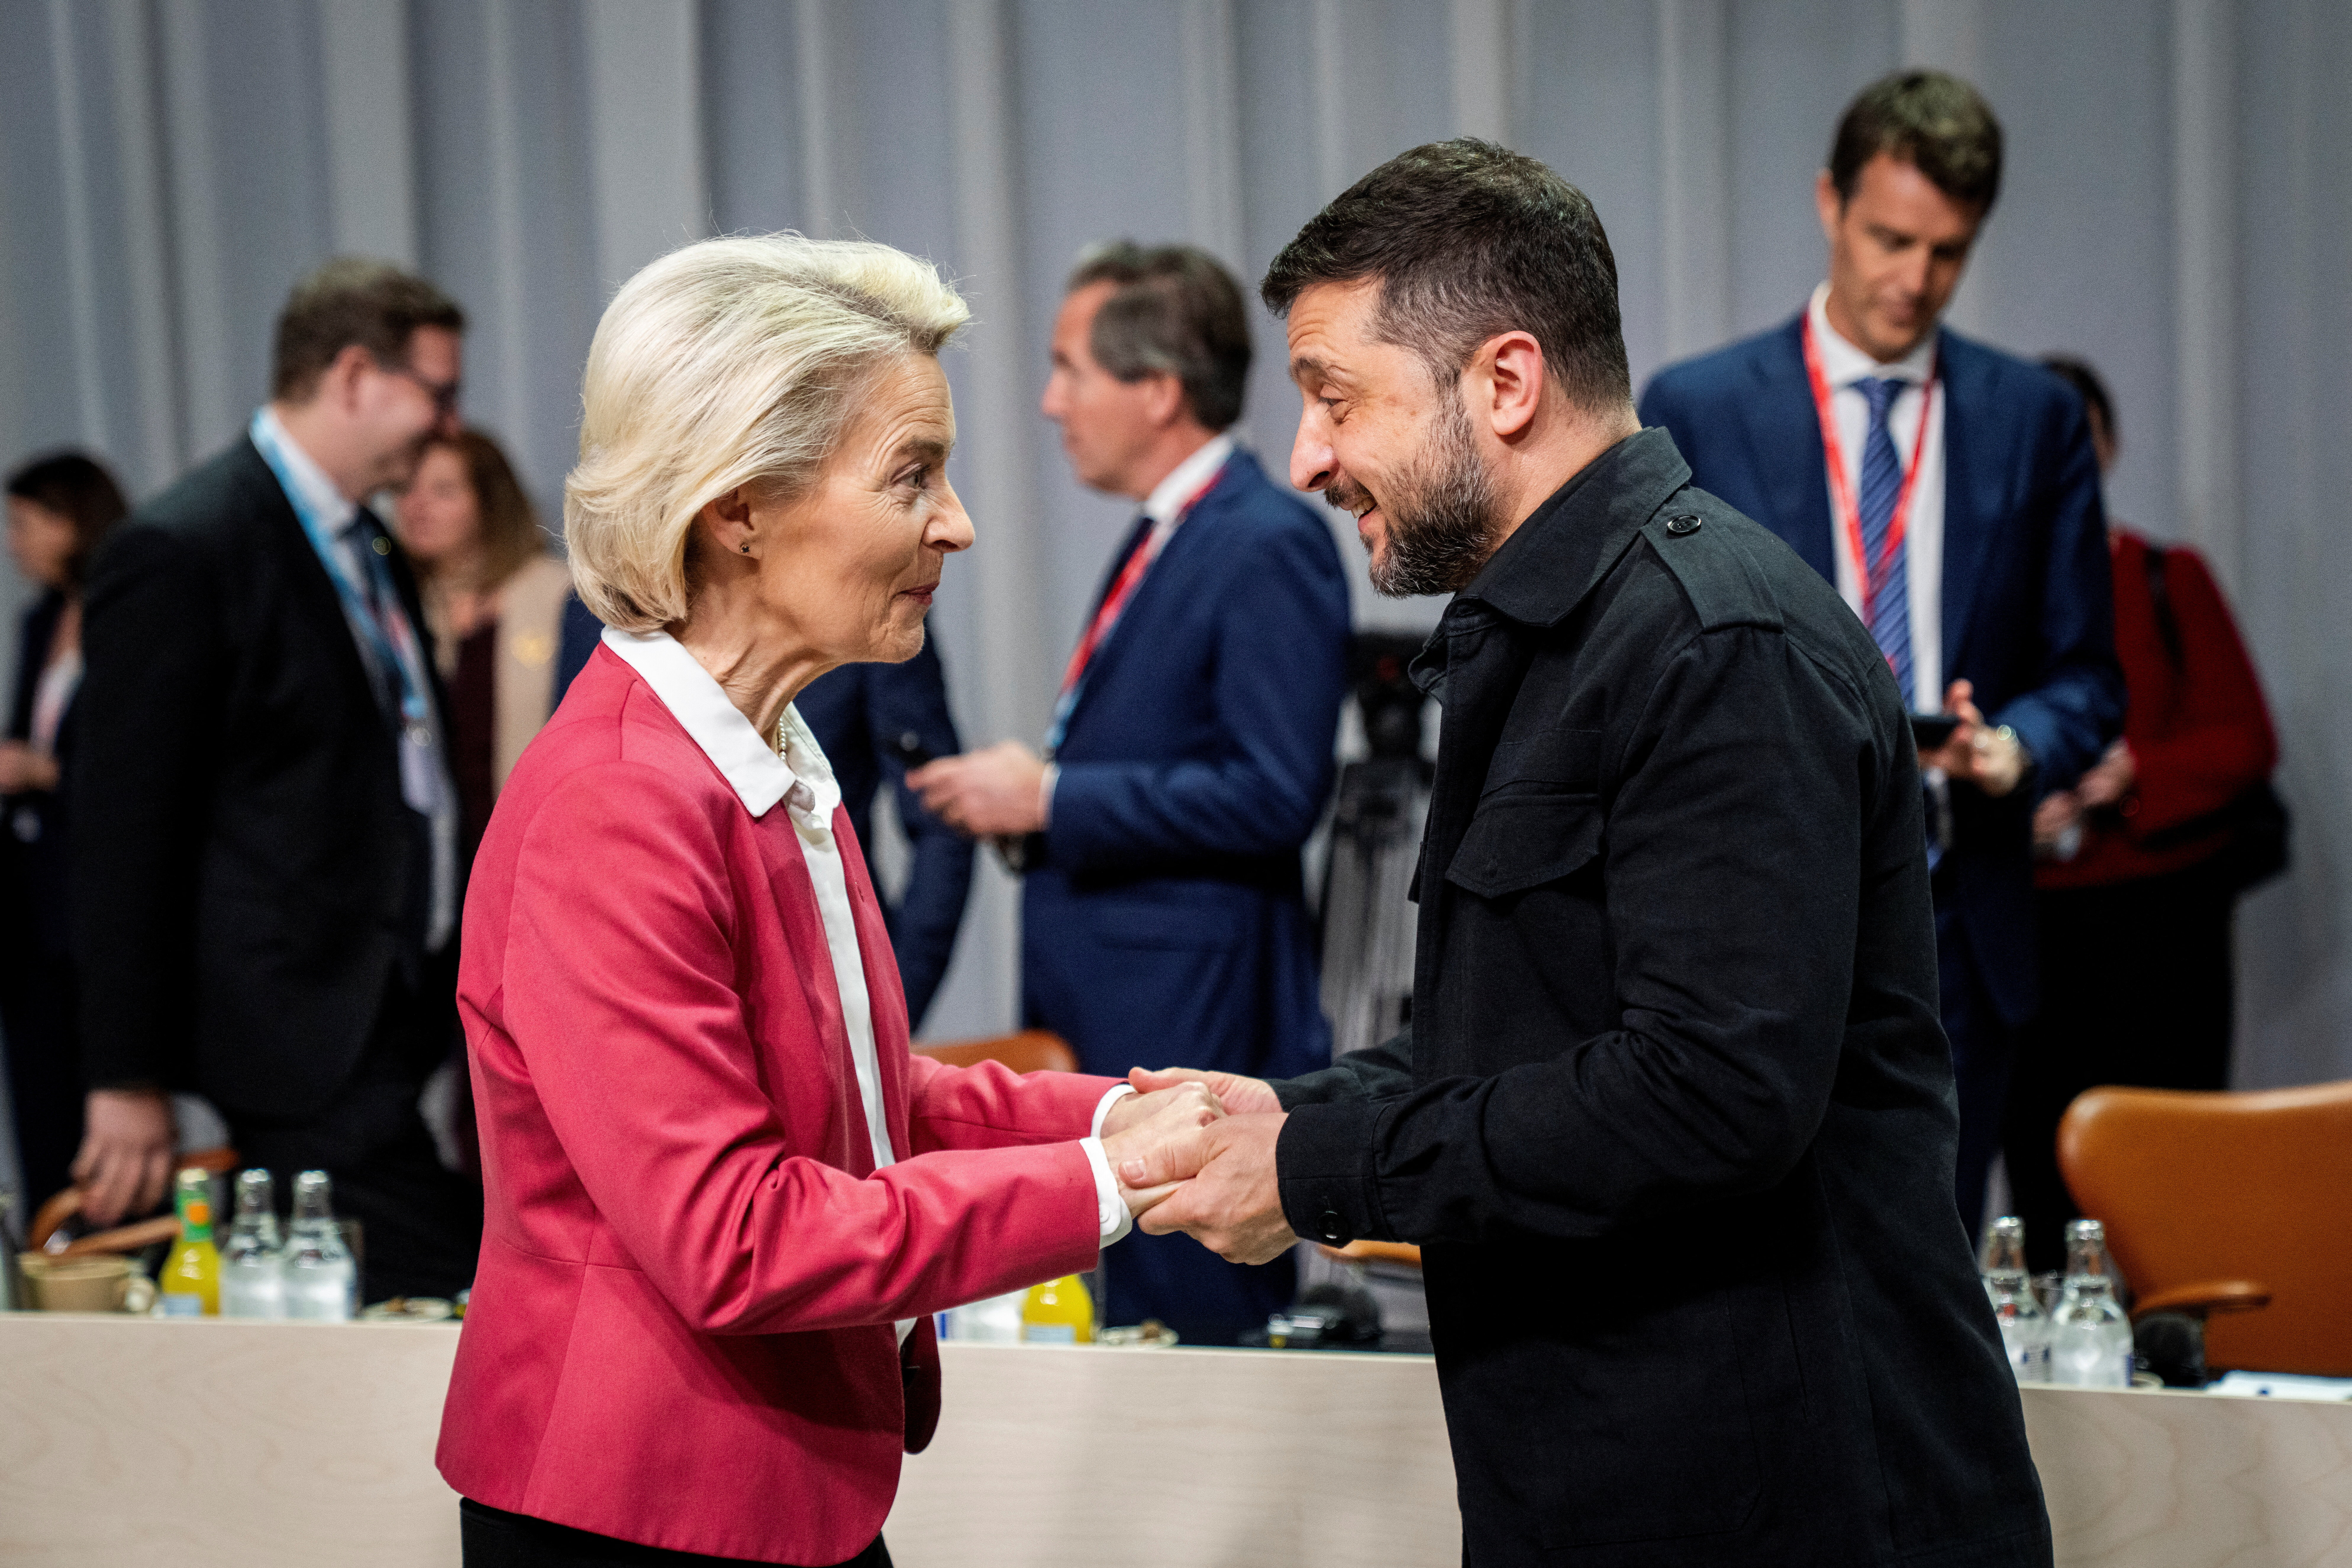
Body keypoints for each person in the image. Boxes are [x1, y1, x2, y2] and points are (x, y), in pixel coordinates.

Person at [1123, 140, 2051, 1567]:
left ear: (1503, 383)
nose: (1302, 456)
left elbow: (1706, 1092)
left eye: (1332, 398)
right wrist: (1278, 1111)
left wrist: (1321, 1167)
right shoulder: (1545, 630)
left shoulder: (1713, 642)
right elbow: (1526, 1031)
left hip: (1784, 1504)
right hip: (1605, 1480)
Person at [437, 233, 1220, 1568]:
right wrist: (1109, 1181)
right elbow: (736, 1237)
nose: (958, 521)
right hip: (638, 1506)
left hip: (748, 1491)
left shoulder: (765, 755)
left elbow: (858, 1097)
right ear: (735, 503)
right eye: (911, 473)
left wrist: (1126, 1114)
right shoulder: (616, 807)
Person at [1638, 71, 2123, 1240]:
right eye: (1889, 239)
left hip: (1958, 911)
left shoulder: (2031, 418)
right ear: (1828, 204)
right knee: (1754, 1272)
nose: (1912, 280)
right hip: (1759, 906)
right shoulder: (1699, 406)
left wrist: (2015, 748)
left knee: (1927, 1269)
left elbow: (2087, 678)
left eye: (1946, 253)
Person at [910, 242, 1350, 1345]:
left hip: (1194, 1010)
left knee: (1192, 1328)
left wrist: (1051, 798)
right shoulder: (1168, 534)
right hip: (1118, 1004)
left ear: (1157, 390)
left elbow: (1273, 791)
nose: (1052, 403)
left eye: (1071, 370)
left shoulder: (1265, 540)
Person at [68, 257, 483, 1301]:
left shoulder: (367, 541)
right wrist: (123, 1076)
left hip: (389, 1012)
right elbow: (122, 836)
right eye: (436, 392)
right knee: (446, 1295)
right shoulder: (183, 548)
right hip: (297, 1026)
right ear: (353, 375)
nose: (445, 425)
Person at [2006, 356, 2280, 1274]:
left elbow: (2243, 740)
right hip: (2027, 922)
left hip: (2157, 926)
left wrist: (2131, 773)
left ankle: (2190, 1364)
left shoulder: (2164, 575)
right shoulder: (1987, 600)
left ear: (2107, 449)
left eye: (2072, 439)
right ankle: (2056, 1388)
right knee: (2036, 1174)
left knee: (2175, 1167)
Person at [557, 591, 975, 1032]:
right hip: (639, 992)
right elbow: (577, 812)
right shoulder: (599, 607)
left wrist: (893, 1003)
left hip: (827, 991)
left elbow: (941, 815)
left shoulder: (866, 599)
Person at [0, 452, 128, 1206]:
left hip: (97, 888)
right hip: (32, 893)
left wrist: (47, 773)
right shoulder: (40, 619)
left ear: (73, 521)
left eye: (25, 523)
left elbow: (134, 764)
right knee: (40, 1099)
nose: (14, 542)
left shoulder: (126, 609)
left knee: (103, 1103)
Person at [393, 428, 573, 858]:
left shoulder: (558, 597)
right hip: (430, 860)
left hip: (531, 850)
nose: (417, 506)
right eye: (405, 489)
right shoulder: (396, 604)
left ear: (489, 502)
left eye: (443, 491)